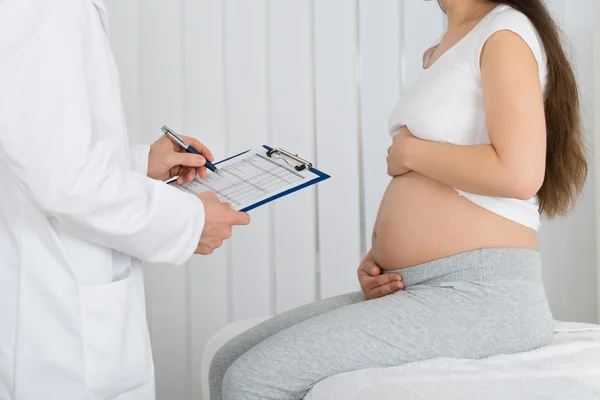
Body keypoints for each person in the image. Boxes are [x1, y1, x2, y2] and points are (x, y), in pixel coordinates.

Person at [209, 0, 587, 399]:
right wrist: (388, 256)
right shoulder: (452, 44)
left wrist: (410, 153)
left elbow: (520, 173)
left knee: (254, 378)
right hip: (417, 284)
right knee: (228, 361)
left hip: (482, 292)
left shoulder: (505, 31)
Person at [0, 1, 250, 399]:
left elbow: (32, 152)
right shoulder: (45, 9)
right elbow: (65, 182)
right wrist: (188, 223)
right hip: (49, 318)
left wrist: (137, 164)